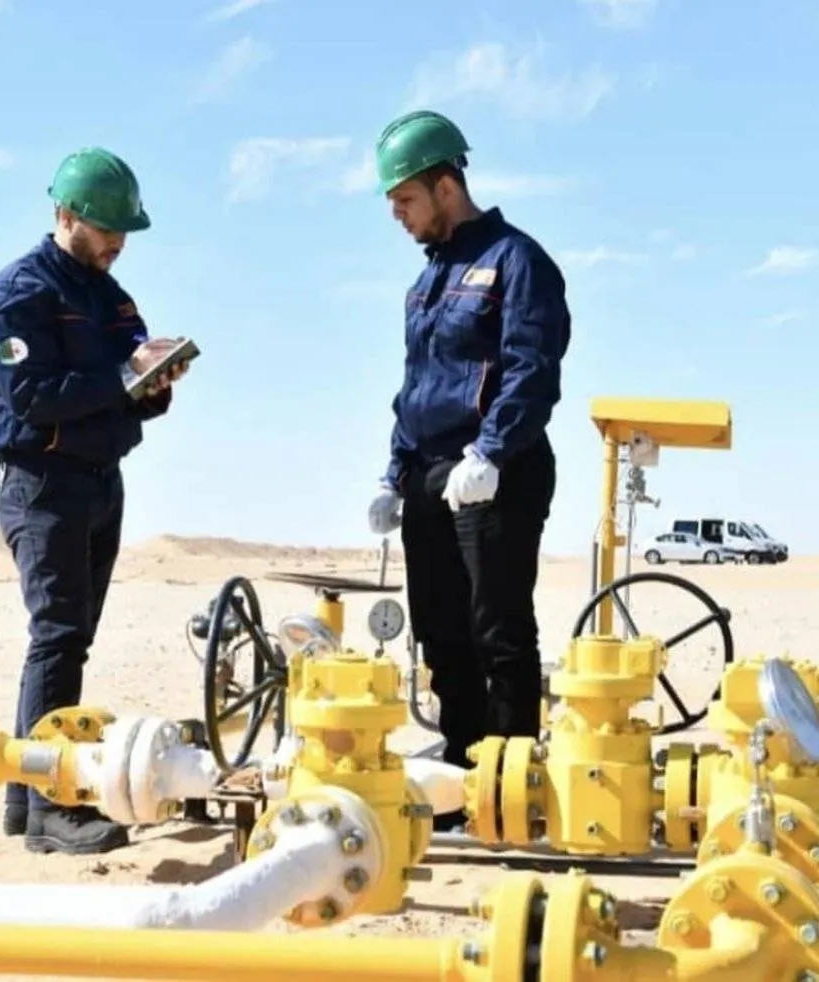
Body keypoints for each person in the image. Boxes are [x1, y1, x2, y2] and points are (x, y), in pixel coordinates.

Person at [0, 146, 189, 855]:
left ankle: (24, 798)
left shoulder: (109, 295)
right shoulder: (20, 293)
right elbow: (30, 399)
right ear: (66, 215)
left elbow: (130, 379)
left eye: (125, 233)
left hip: (99, 480)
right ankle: (50, 812)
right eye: (106, 230)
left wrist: (153, 383)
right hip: (42, 483)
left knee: (72, 639)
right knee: (56, 637)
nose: (118, 245)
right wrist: (123, 375)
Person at [365, 110, 572, 831]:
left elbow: (531, 370)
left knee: (497, 627)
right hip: (430, 472)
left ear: (445, 185)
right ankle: (460, 771)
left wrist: (490, 451)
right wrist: (394, 474)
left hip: (496, 472)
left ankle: (507, 785)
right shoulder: (425, 283)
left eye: (405, 202)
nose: (399, 217)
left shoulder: (517, 261)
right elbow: (416, 383)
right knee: (441, 629)